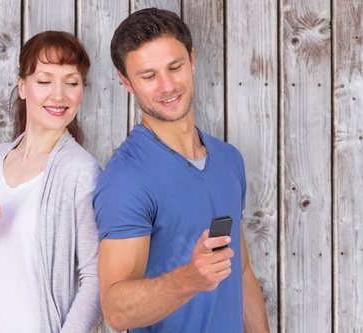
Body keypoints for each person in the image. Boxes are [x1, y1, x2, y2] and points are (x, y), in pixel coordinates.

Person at [93, 8, 270, 333]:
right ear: (125, 81)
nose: (167, 86)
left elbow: (241, 272)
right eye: (148, 76)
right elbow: (116, 310)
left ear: (191, 59)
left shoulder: (229, 159)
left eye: (174, 67)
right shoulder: (126, 178)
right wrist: (190, 278)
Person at [0, 31, 101, 332]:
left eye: (71, 82)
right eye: (45, 81)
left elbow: (95, 277)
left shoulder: (82, 171)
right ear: (23, 87)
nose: (58, 95)